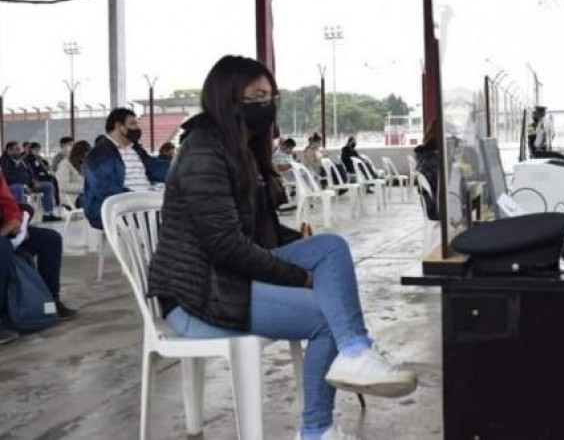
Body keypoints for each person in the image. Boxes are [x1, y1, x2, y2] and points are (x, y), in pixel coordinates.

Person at [147, 55, 417, 440]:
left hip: (228, 279)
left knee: (330, 248)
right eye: (257, 96)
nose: (267, 104)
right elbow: (226, 246)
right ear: (228, 97)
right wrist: (298, 277)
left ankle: (356, 350)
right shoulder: (203, 151)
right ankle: (316, 430)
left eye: (270, 96)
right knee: (324, 317)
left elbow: (262, 233)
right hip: (198, 295)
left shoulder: (241, 148)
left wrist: (301, 247)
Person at [0, 173, 76, 322]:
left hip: (4, 229)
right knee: (3, 249)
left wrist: (15, 220)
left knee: (50, 239)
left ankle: (50, 302)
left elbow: (7, 201)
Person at [82, 108, 169, 229]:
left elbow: (156, 169)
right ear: (119, 126)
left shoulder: (136, 150)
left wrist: (180, 168)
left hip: (145, 203)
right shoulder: (99, 155)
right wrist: (140, 198)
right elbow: (107, 190)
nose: (137, 128)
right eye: (132, 124)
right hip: (118, 207)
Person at [0, 142, 62, 222]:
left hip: (29, 185)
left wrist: (34, 182)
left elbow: (31, 173)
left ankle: (48, 214)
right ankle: (19, 216)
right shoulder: (3, 162)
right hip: (11, 186)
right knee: (18, 188)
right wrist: (24, 185)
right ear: (9, 150)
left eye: (19, 149)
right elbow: (8, 177)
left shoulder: (23, 161)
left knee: (48, 186)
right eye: (17, 149)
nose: (19, 151)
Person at [25, 142, 61, 208]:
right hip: (35, 177)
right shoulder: (29, 158)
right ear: (31, 149)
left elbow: (44, 163)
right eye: (35, 149)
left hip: (40, 175)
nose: (37, 151)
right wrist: (44, 168)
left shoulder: (38, 157)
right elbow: (38, 167)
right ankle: (54, 200)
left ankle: (56, 199)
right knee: (51, 180)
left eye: (38, 150)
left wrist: (45, 165)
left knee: (53, 179)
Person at [56, 140, 91, 208]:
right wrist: (84, 187)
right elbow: (63, 186)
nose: (85, 158)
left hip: (85, 194)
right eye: (83, 156)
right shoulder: (65, 164)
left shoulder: (84, 164)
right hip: (71, 197)